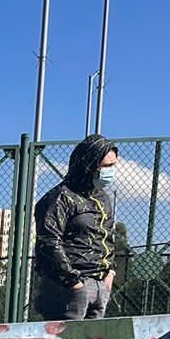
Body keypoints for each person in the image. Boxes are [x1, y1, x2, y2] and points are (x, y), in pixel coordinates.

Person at [33, 134, 120, 321]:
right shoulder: (61, 197)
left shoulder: (103, 198)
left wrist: (110, 274)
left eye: (113, 165)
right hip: (67, 288)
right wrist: (74, 283)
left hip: (100, 285)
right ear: (89, 164)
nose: (111, 171)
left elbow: (109, 238)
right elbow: (48, 242)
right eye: (106, 166)